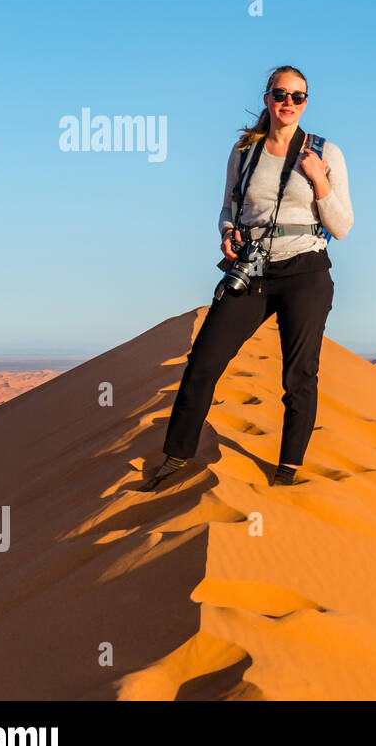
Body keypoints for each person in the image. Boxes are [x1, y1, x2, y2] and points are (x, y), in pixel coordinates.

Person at [141, 65, 354, 491]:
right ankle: (177, 455)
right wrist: (226, 234)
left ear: (306, 103)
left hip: (306, 270)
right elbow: (227, 209)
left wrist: (317, 180)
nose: (288, 103)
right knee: (203, 362)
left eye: (298, 96)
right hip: (252, 269)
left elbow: (343, 226)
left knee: (299, 376)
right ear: (267, 99)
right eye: (280, 94)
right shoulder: (244, 152)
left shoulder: (325, 153)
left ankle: (287, 469)